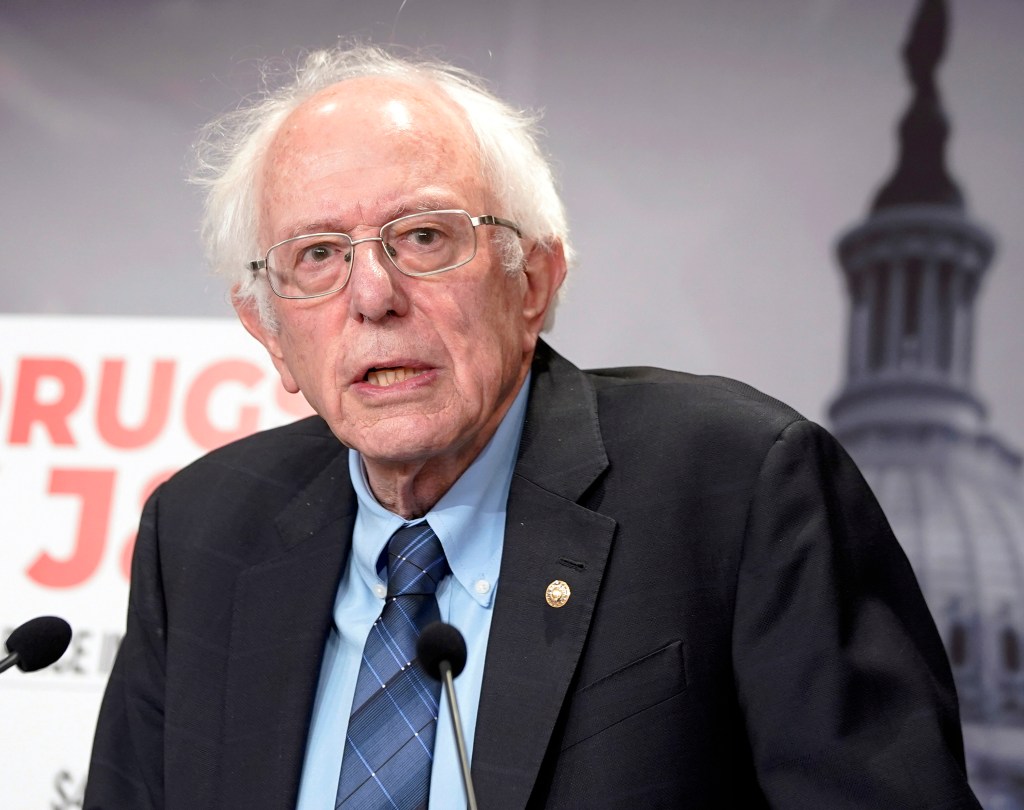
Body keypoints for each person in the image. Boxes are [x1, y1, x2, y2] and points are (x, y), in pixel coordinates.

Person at [84, 44, 979, 809]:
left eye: (424, 237)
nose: (372, 297)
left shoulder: (736, 486)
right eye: (317, 255)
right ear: (269, 331)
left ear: (535, 281)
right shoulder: (202, 532)